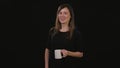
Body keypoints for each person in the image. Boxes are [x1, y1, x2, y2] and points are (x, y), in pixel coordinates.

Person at [45, 4, 84, 68]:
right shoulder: (52, 31)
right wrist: (46, 66)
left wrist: (68, 53)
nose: (62, 15)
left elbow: (80, 54)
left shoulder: (76, 33)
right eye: (60, 13)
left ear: (70, 16)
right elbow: (47, 49)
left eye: (65, 13)